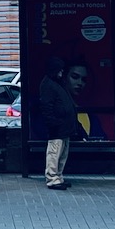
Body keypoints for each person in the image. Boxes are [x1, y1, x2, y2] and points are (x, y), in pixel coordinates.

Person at [38, 57, 86, 190]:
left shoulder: (56, 83)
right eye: (59, 70)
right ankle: (52, 179)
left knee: (61, 154)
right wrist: (54, 123)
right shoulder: (48, 84)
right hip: (57, 127)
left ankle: (58, 176)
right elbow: (46, 106)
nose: (61, 73)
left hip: (63, 127)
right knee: (54, 153)